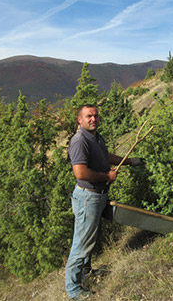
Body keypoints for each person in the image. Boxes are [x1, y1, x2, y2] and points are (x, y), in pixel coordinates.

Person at [65, 104, 143, 300]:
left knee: (89, 238)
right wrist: (106, 176)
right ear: (79, 120)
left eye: (96, 116)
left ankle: (86, 272)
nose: (93, 119)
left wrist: (129, 161)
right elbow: (80, 173)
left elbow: (105, 157)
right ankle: (73, 290)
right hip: (87, 197)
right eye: (89, 116)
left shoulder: (95, 138)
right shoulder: (79, 141)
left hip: (97, 196)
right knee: (81, 243)